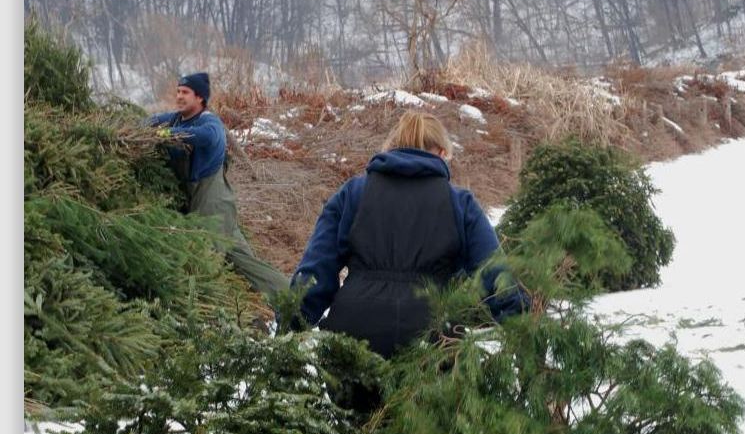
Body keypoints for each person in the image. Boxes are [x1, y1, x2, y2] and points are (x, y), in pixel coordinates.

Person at [291, 111, 527, 358]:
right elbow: (496, 274)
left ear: (393, 147)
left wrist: (290, 330)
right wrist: (521, 326)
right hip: (432, 339)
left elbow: (315, 271)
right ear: (440, 153)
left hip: (353, 338)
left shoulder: (353, 193)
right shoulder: (459, 203)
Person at [148, 72, 289, 303]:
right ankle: (292, 298)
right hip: (204, 204)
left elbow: (208, 136)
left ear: (200, 98)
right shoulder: (175, 119)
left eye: (185, 92)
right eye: (178, 91)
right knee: (247, 263)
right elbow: (148, 122)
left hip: (214, 206)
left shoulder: (209, 122)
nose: (179, 96)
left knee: (205, 264)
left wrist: (168, 134)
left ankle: (224, 311)